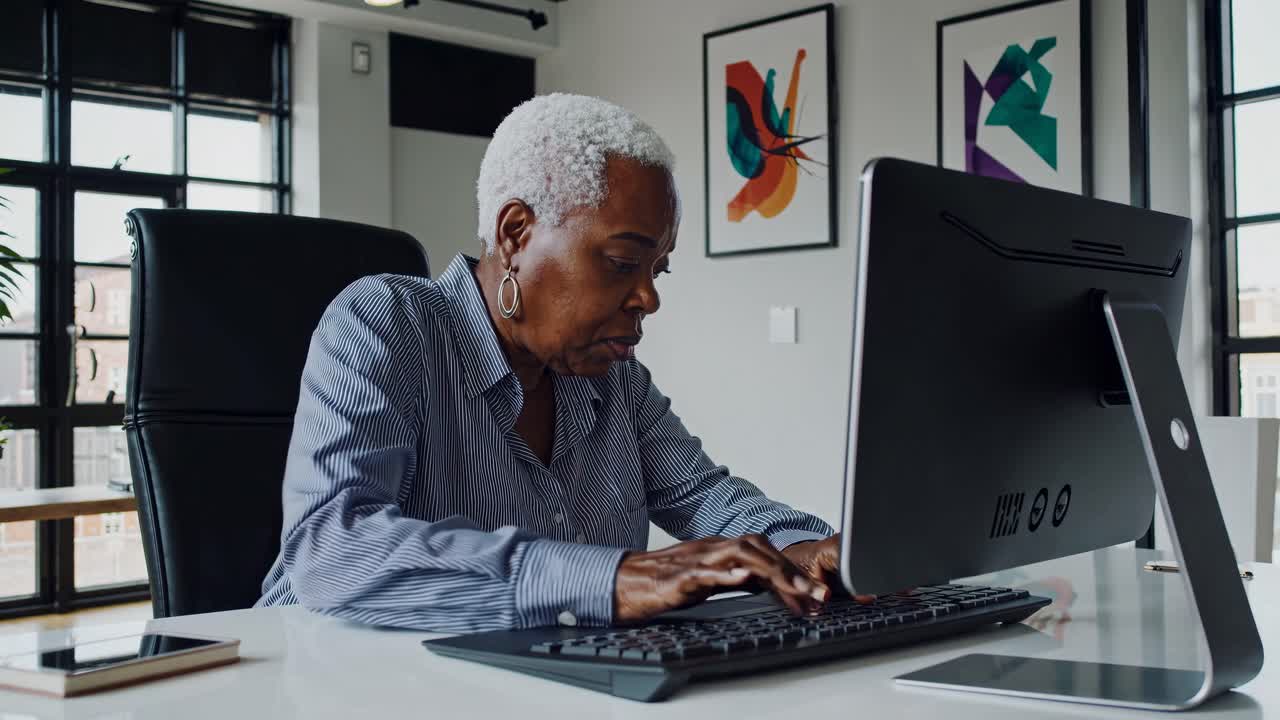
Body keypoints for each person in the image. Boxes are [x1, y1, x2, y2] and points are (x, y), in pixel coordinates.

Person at [257, 93, 845, 632]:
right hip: (322, 677)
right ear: (516, 233)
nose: (649, 298)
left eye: (657, 269)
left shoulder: (614, 381)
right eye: (621, 262)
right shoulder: (387, 323)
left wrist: (809, 548)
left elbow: (707, 499)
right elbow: (331, 549)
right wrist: (613, 579)